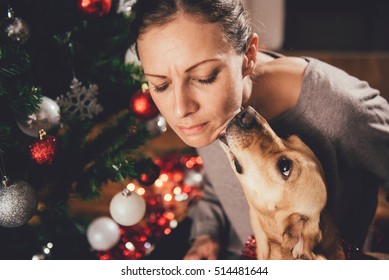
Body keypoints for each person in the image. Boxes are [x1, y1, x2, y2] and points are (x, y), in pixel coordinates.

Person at [128, 0, 389, 259]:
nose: (179, 109)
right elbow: (221, 181)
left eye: (204, 77)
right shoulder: (205, 111)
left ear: (248, 57)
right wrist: (207, 234)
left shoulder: (342, 112)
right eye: (160, 85)